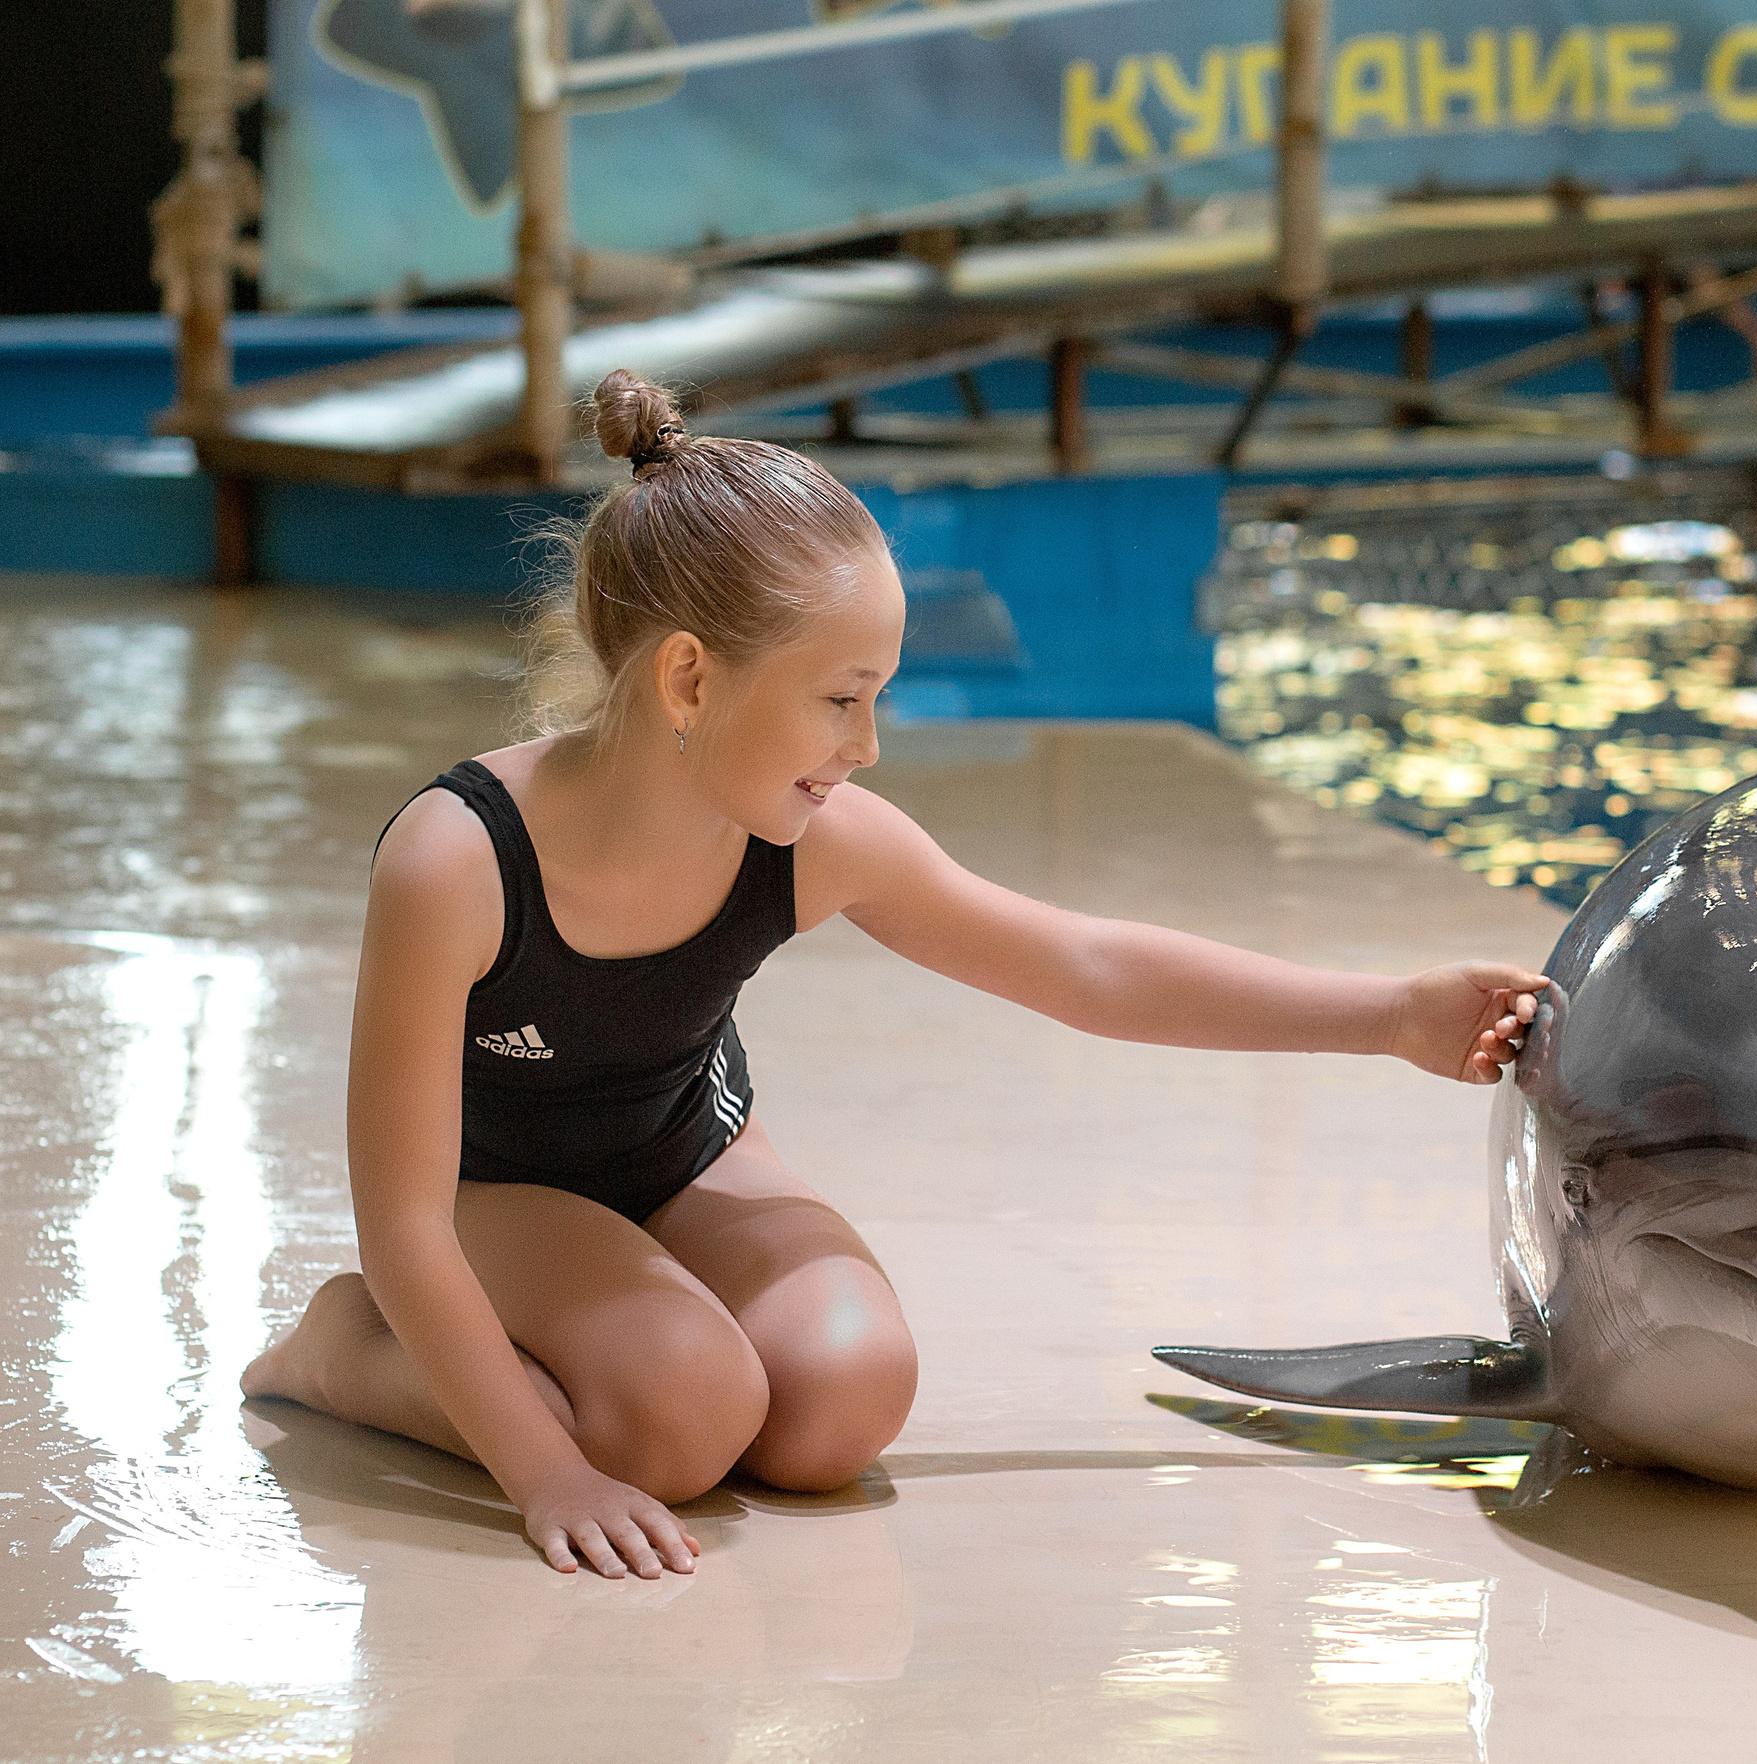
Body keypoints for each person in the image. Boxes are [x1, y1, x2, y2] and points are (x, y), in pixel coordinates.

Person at [243, 369, 1548, 1581]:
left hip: (675, 1155)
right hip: (489, 1193)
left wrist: (1389, 1015)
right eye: (840, 698)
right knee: (673, 1424)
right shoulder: (460, 860)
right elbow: (404, 1219)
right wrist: (543, 1473)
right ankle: (350, 1351)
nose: (868, 746)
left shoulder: (811, 837)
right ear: (690, 676)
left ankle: (600, 1328)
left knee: (838, 1405)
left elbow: (1085, 967)